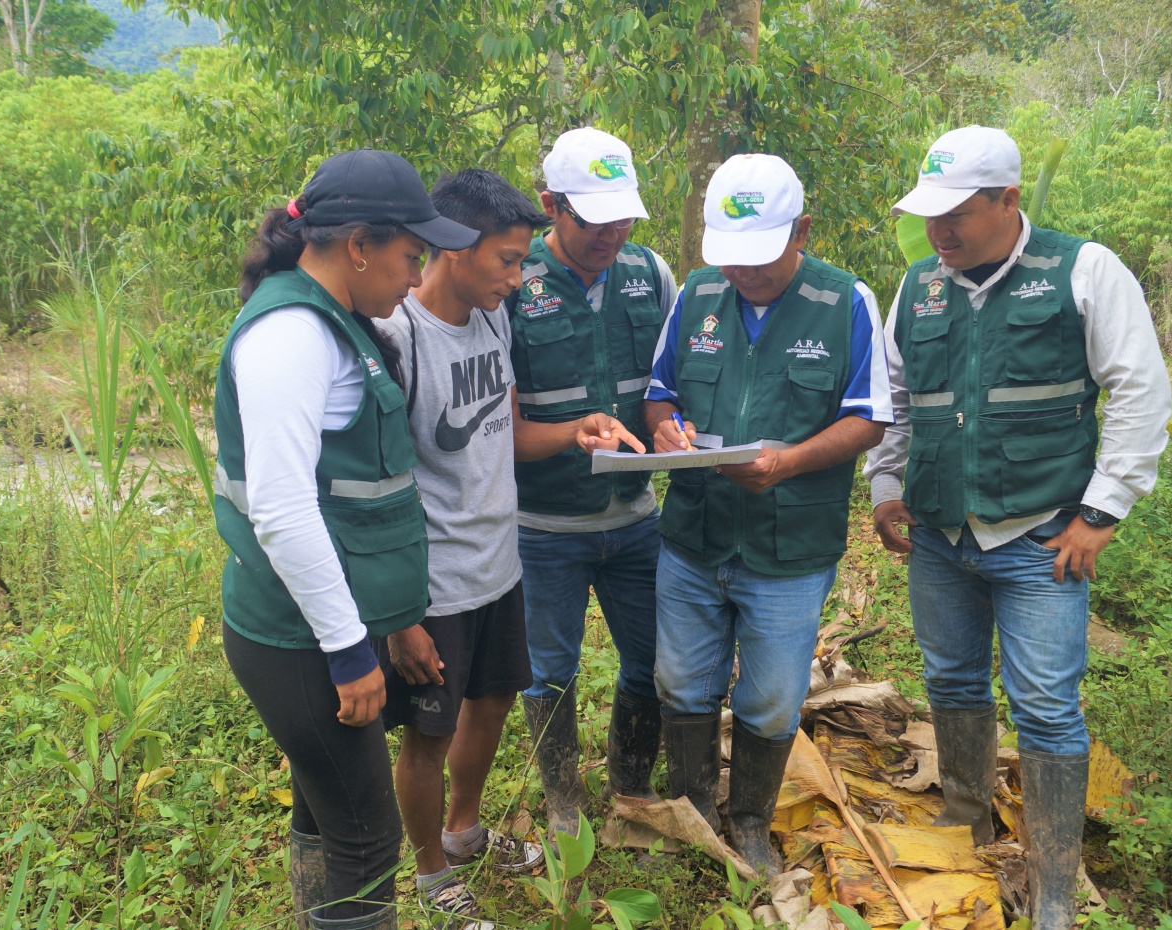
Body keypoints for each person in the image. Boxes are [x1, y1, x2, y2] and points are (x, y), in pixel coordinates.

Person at [865, 126, 1172, 929]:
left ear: (1009, 199)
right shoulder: (919, 285)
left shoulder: (1083, 269)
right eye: (931, 216)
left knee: (1044, 707)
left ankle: (1056, 888)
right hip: (939, 538)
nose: (941, 232)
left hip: (1042, 538)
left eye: (958, 213)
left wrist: (1100, 515)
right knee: (952, 681)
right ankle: (964, 820)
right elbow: (895, 399)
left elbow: (1140, 392)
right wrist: (886, 485)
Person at [212, 149, 479, 930]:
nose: (414, 276)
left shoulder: (336, 319)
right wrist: (348, 649)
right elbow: (284, 510)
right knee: (367, 840)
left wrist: (384, 625)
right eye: (410, 256)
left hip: (325, 627)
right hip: (298, 638)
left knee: (325, 811)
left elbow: (356, 497)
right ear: (357, 245)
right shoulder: (291, 335)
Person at [376, 168, 636, 924]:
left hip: (500, 563)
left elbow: (509, 432)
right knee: (427, 733)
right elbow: (379, 484)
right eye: (508, 260)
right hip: (436, 583)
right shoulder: (400, 339)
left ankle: (463, 831)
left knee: (487, 706)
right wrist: (400, 613)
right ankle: (429, 874)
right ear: (453, 248)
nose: (520, 277)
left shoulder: (494, 320)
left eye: (524, 260)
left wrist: (577, 429)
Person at [644, 153, 892, 876]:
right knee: (681, 683)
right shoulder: (695, 296)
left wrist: (788, 461)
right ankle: (692, 817)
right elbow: (662, 393)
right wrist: (665, 428)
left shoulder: (845, 301)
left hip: (790, 545)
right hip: (694, 536)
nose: (743, 274)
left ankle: (749, 820)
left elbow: (870, 417)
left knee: (773, 697)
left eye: (759, 258)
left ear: (802, 231)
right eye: (730, 258)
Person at [507, 127, 677, 838]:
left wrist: (674, 427)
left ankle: (631, 783)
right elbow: (501, 428)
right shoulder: (513, 285)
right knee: (548, 670)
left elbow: (670, 387)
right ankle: (563, 799)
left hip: (634, 519)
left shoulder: (650, 274)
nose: (612, 232)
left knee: (656, 659)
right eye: (592, 218)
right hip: (545, 527)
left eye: (623, 216)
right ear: (551, 205)